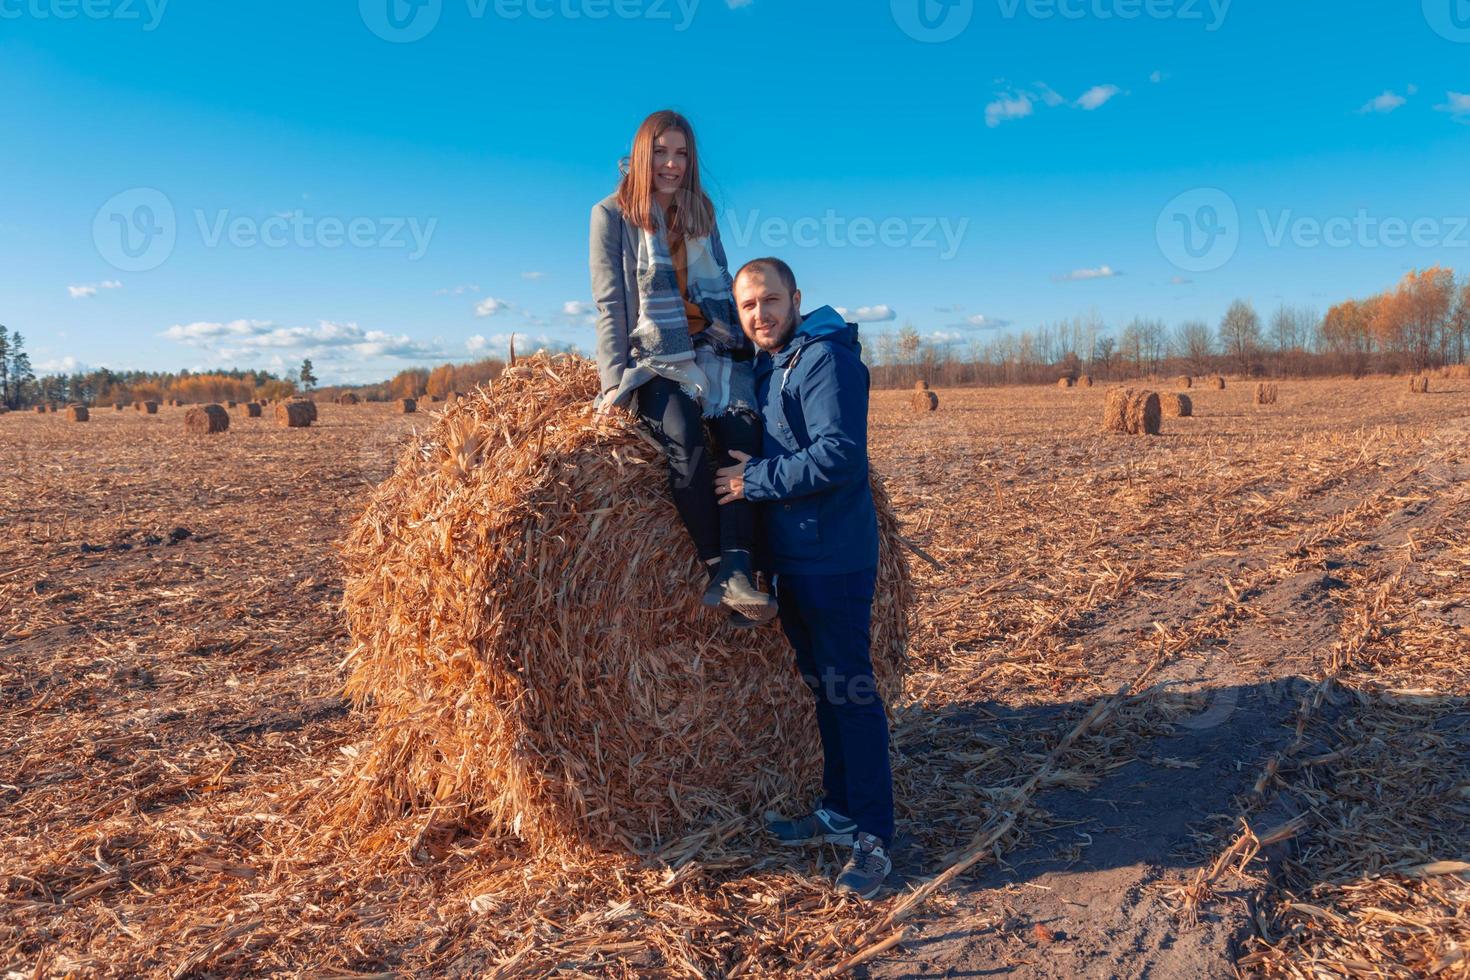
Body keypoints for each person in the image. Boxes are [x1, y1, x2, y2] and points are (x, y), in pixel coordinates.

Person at [713, 257, 894, 900]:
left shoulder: (824, 360)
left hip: (836, 560)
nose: (759, 315)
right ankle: (839, 808)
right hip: (798, 558)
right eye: (747, 307)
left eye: (769, 300)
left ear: (795, 297)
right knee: (825, 689)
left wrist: (751, 479)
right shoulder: (773, 363)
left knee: (853, 693)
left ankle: (873, 838)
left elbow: (840, 455)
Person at [589, 110, 775, 623]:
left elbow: (722, 286)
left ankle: (740, 566)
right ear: (643, 155)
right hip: (655, 357)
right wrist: (613, 386)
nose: (672, 164)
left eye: (682, 154)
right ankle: (719, 566)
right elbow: (611, 305)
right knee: (685, 439)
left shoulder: (701, 212)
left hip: (711, 345)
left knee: (742, 427)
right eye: (663, 152)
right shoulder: (610, 215)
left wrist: (758, 335)